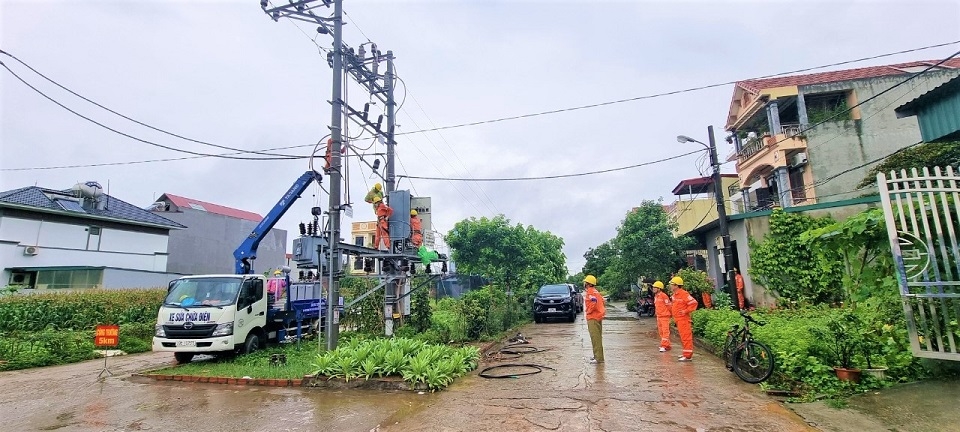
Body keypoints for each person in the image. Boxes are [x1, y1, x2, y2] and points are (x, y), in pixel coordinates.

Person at [669, 276, 698, 361]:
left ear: (676, 285)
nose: (670, 286)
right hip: (678, 319)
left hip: (684, 319)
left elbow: (694, 303)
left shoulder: (684, 294)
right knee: (683, 337)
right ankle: (685, 353)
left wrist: (685, 311)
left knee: (686, 337)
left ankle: (688, 355)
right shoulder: (675, 295)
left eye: (672, 284)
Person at [583, 275, 606, 364]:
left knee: (595, 338)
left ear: (588, 284)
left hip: (593, 317)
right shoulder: (596, 292)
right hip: (598, 316)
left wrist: (588, 311)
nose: (584, 284)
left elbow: (593, 302)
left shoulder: (590, 292)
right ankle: (598, 356)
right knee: (598, 338)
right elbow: (603, 301)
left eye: (585, 282)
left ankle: (599, 358)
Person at [652, 280, 673, 352]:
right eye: (653, 287)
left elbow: (669, 306)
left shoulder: (663, 296)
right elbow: (656, 306)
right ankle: (667, 345)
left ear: (659, 288)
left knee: (665, 331)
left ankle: (664, 345)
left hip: (665, 316)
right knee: (661, 332)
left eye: (655, 287)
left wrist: (671, 314)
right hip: (659, 316)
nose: (653, 288)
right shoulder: (656, 296)